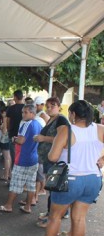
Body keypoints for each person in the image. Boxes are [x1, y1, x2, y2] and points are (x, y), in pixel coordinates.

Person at [27, 100, 104, 236]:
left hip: (70, 179)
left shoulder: (67, 131)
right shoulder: (100, 129)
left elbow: (53, 157)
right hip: (93, 179)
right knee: (79, 219)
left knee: (55, 217)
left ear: (74, 114)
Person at [0, 104, 42, 213]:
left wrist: (13, 139)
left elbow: (21, 141)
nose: (23, 114)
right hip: (33, 158)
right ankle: (28, 207)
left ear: (32, 113)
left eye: (25, 112)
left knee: (15, 184)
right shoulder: (38, 124)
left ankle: (8, 206)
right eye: (22, 112)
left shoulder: (27, 124)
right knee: (31, 184)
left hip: (22, 158)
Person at [33, 97, 69, 227]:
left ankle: (53, 215)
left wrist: (43, 138)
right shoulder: (52, 119)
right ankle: (53, 213)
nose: (49, 108)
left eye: (52, 105)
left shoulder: (61, 120)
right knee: (53, 188)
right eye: (47, 106)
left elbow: (61, 139)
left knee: (54, 188)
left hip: (55, 159)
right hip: (48, 158)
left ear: (59, 106)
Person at [6, 90, 25, 166]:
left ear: (15, 97)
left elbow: (8, 121)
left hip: (13, 134)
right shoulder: (26, 108)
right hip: (24, 136)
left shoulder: (11, 108)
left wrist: (8, 130)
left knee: (14, 156)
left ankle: (13, 172)